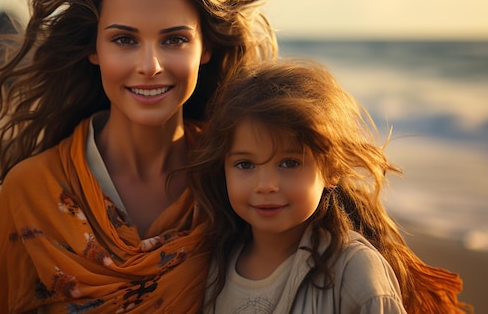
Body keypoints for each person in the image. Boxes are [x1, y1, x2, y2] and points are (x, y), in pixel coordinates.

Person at [0, 0, 311, 312]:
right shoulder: (32, 190)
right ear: (93, 48)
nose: (150, 66)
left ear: (206, 48)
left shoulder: (242, 174)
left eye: (175, 39)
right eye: (124, 40)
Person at [187, 59, 473, 314]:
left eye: (289, 163)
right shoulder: (216, 262)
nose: (266, 185)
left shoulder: (354, 270)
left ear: (332, 170)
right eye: (245, 165)